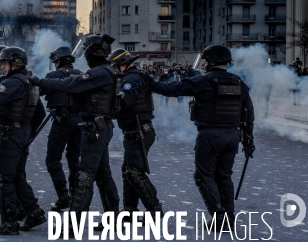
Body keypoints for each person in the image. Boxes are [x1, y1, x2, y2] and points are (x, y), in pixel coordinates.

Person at [150, 44, 255, 231]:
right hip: (232, 135)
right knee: (224, 176)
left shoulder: (204, 81)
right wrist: (248, 138)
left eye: (205, 60)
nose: (204, 64)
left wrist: (149, 83)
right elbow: (248, 112)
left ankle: (219, 217)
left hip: (210, 135)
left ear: (211, 62)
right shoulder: (238, 82)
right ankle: (228, 217)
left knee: (203, 176)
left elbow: (172, 89)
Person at [30, 34, 120, 234]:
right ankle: (113, 216)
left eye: (86, 50)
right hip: (100, 127)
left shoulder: (99, 72)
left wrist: (40, 82)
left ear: (92, 52)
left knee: (84, 176)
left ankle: (73, 225)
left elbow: (71, 85)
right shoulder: (106, 71)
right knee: (103, 175)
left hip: (95, 128)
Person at [0, 47, 46, 236]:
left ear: (15, 63)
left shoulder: (13, 82)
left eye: (4, 63)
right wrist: (26, 131)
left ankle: (9, 222)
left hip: (9, 134)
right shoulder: (30, 81)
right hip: (22, 133)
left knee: (5, 179)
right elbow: (40, 113)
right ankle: (34, 212)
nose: (2, 67)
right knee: (18, 176)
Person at [107, 48, 162, 220]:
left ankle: (154, 209)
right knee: (128, 170)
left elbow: (125, 101)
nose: (115, 68)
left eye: (116, 65)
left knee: (133, 171)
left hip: (139, 131)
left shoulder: (131, 78)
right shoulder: (135, 76)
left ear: (122, 64)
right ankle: (130, 209)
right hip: (135, 130)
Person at [41, 46, 82, 212]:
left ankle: (63, 196)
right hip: (79, 121)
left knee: (52, 159)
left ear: (58, 61)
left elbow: (41, 91)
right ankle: (75, 195)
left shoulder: (53, 75)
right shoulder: (80, 75)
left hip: (62, 121)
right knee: (74, 159)